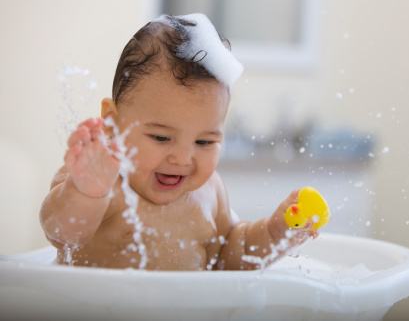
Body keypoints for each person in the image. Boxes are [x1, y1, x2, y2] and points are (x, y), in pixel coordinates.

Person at [40, 14, 316, 271]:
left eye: (205, 141)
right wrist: (87, 191)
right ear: (112, 123)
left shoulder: (209, 192)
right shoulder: (99, 177)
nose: (183, 158)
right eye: (161, 137)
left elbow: (231, 255)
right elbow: (62, 235)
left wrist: (277, 233)